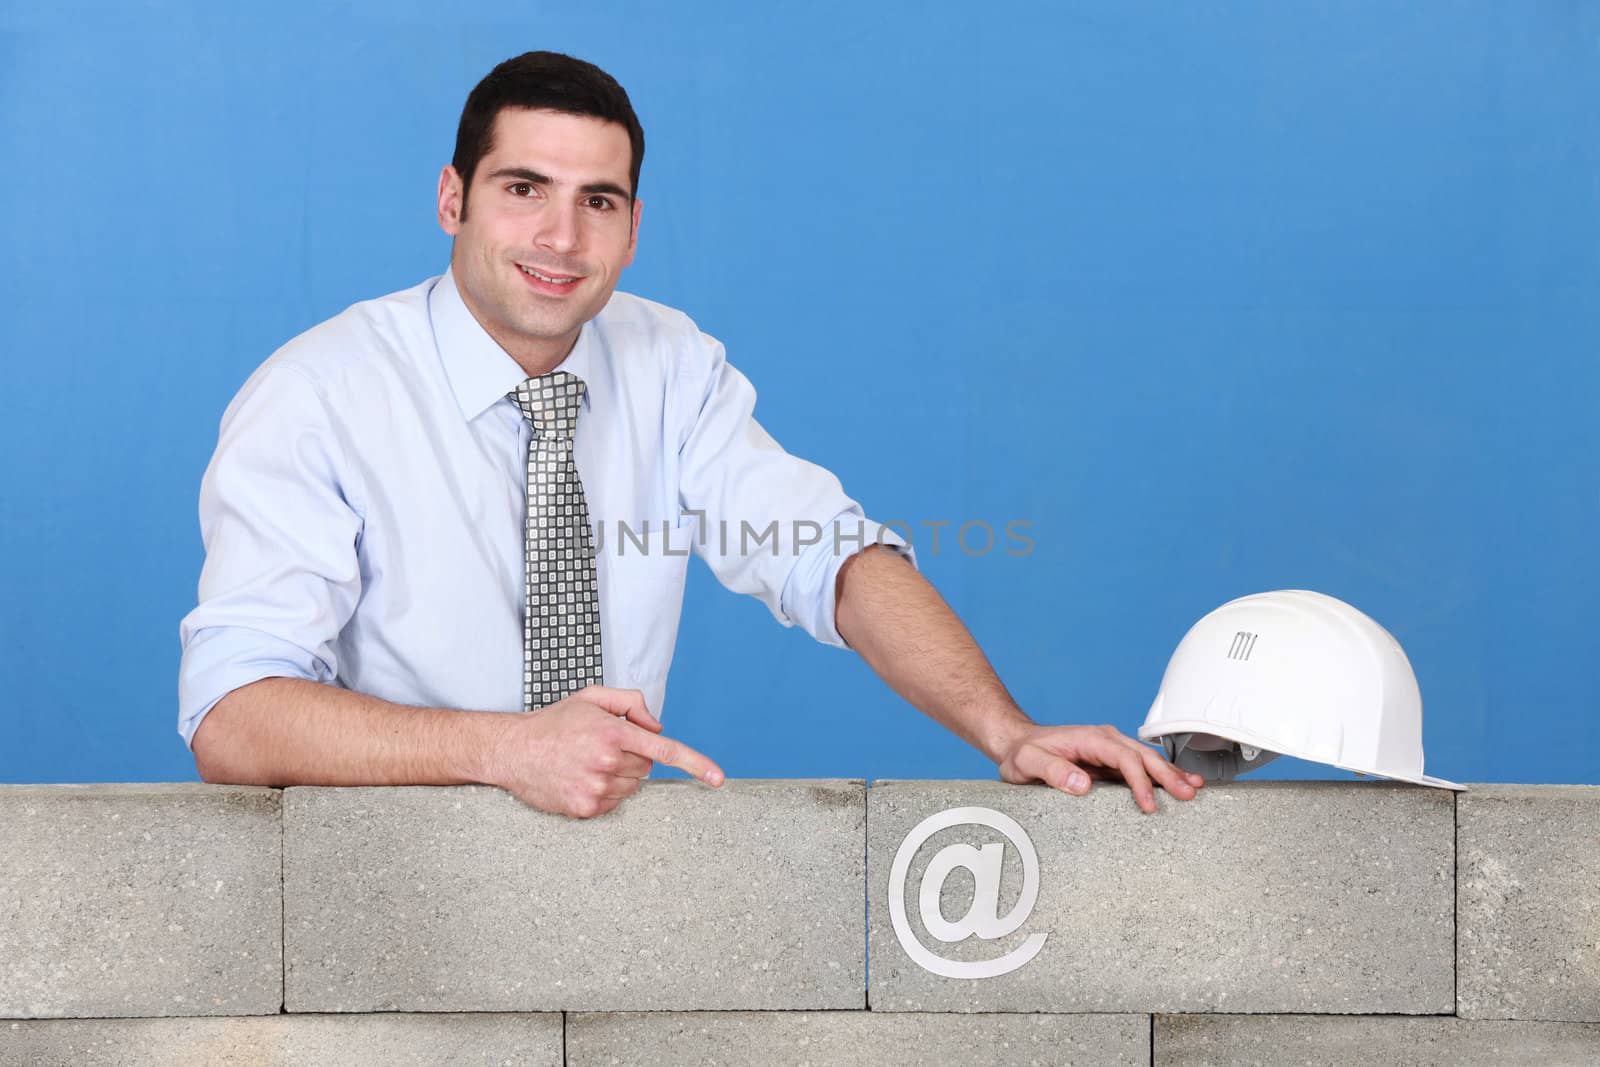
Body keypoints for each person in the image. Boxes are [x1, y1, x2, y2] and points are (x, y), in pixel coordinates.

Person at [179, 50, 1205, 819]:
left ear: (632, 228)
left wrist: (1007, 728)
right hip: (372, 878)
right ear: (453, 199)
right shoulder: (317, 394)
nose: (560, 239)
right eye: (522, 189)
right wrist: (506, 750)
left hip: (614, 873)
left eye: (598, 202)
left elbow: (829, 553)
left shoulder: (667, 361)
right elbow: (233, 715)